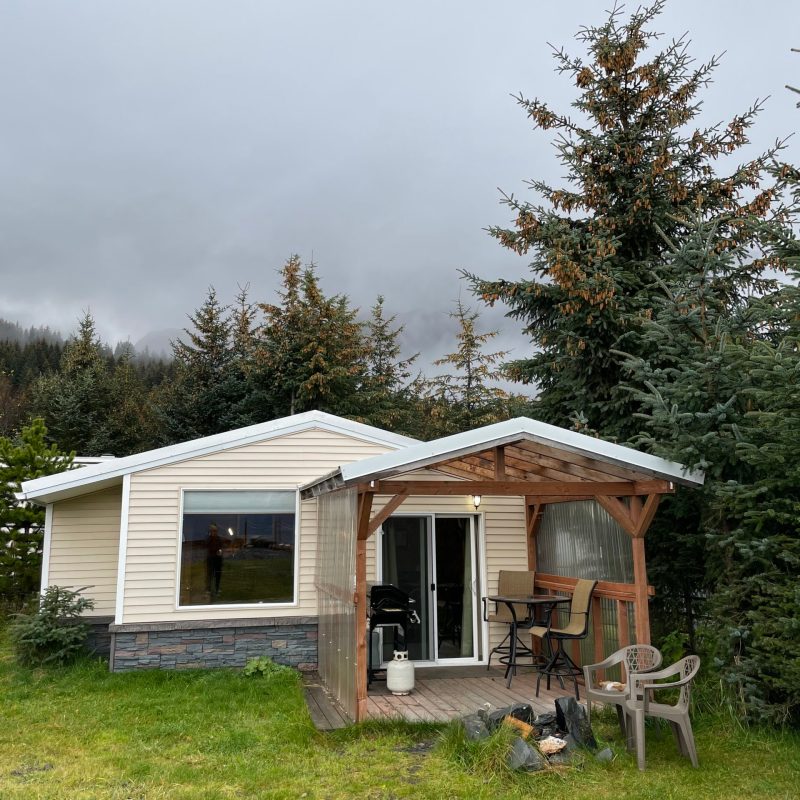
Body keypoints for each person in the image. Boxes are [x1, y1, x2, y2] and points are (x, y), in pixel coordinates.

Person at [206, 523, 223, 599]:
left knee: (218, 575)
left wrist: (220, 552)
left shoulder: (219, 539)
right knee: (209, 574)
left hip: (218, 559)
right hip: (210, 559)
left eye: (215, 530)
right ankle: (208, 590)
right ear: (210, 531)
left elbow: (221, 548)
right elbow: (206, 546)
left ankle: (217, 589)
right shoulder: (208, 539)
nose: (214, 532)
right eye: (212, 530)